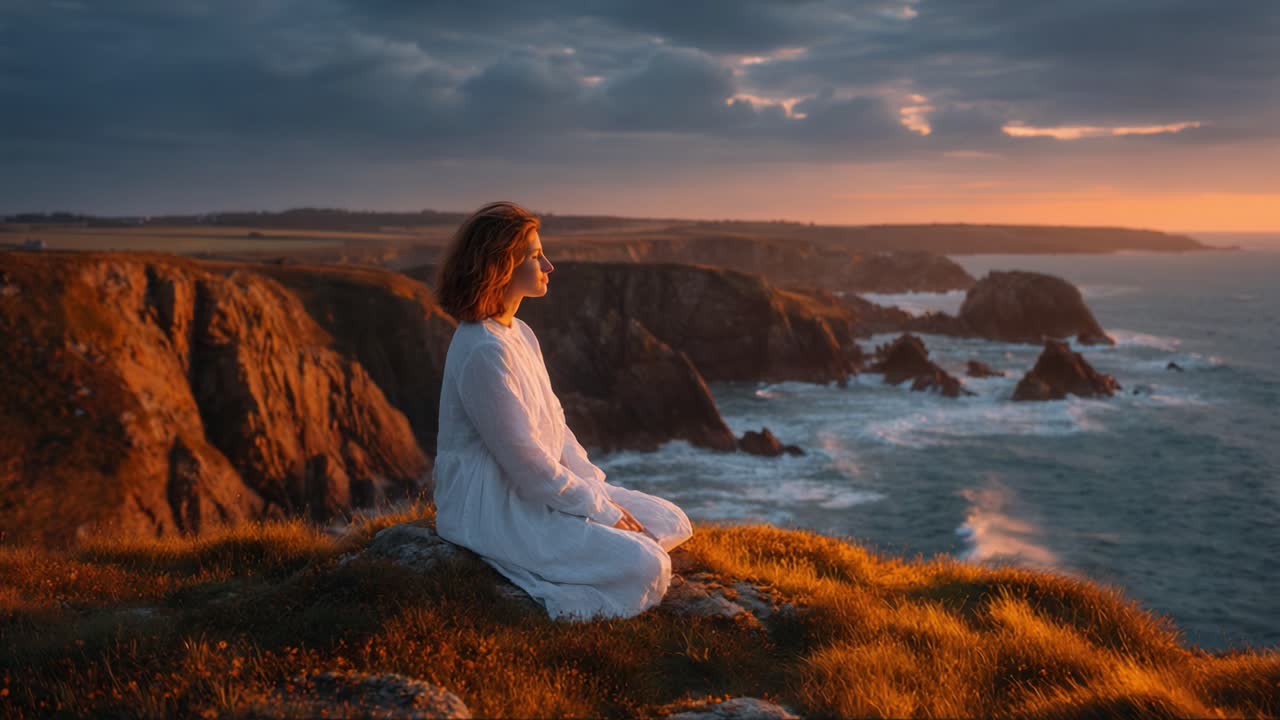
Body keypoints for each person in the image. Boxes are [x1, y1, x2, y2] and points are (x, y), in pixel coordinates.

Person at [432, 201, 693, 620]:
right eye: (535, 256)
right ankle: (557, 589)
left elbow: (556, 424)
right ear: (501, 266)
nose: (548, 265)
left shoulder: (520, 332)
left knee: (672, 520)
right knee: (648, 565)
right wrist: (600, 511)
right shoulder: (483, 350)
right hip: (493, 504)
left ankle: (585, 551)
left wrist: (594, 488)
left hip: (538, 487)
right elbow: (527, 465)